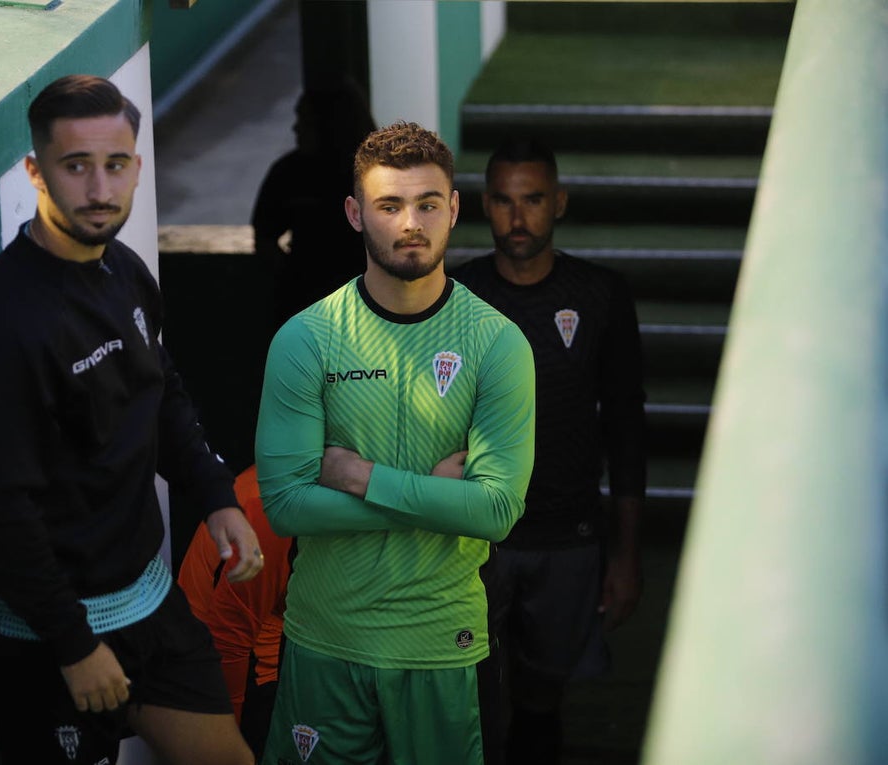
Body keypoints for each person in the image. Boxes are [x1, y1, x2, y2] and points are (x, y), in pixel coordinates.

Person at [0, 74, 262, 765]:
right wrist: (73, 645)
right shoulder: (5, 325)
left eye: (115, 165)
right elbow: (2, 512)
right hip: (48, 638)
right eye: (76, 165)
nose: (99, 188)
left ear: (137, 168)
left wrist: (215, 496)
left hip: (147, 604)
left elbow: (161, 392)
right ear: (36, 171)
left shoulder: (124, 270)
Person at [255, 121, 537, 765]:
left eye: (428, 204)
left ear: (454, 209)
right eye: (389, 205)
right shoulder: (307, 339)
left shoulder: (497, 344)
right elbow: (287, 506)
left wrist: (360, 477)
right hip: (326, 640)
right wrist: (435, 496)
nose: (411, 222)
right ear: (356, 214)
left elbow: (495, 511)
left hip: (441, 641)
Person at [451, 135, 647, 764]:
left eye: (532, 199)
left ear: (558, 202)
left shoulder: (602, 295)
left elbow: (626, 428)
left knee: (541, 705)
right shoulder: (453, 295)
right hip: (474, 540)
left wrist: (625, 555)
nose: (517, 217)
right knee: (465, 699)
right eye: (504, 201)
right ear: (484, 205)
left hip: (568, 535)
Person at [178, 464, 292, 760]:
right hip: (232, 659)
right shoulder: (275, 503)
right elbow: (228, 637)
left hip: (275, 633)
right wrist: (230, 741)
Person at [251, 77, 376, 328]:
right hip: (305, 309)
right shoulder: (288, 173)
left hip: (367, 310)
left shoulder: (378, 175)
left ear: (330, 126)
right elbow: (264, 236)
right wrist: (295, 276)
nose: (296, 128)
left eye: (305, 120)